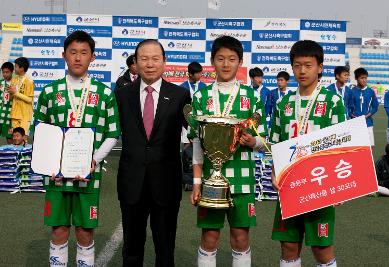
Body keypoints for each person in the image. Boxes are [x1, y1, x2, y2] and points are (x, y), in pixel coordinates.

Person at [33, 30, 121, 267]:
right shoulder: (50, 92)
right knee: (59, 230)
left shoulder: (104, 94)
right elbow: (39, 130)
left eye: (84, 53)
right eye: (73, 52)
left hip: (88, 175)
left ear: (93, 57)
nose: (78, 58)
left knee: (84, 231)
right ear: (64, 55)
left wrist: (94, 159)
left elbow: (113, 133)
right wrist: (47, 162)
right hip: (56, 176)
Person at [189, 35, 268, 267]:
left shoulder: (252, 96)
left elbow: (264, 141)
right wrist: (195, 183)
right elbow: (196, 143)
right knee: (209, 237)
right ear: (212, 61)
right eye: (220, 58)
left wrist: (253, 142)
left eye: (232, 59)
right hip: (209, 181)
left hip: (242, 180)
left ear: (240, 62)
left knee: (240, 237)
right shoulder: (201, 96)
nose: (226, 64)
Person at [269, 40, 346, 267]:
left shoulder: (333, 101)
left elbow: (340, 145)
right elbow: (276, 143)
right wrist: (274, 172)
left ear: (320, 67)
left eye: (308, 65)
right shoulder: (283, 103)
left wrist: (338, 186)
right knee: (289, 246)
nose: (302, 71)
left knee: (322, 248)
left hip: (319, 183)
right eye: (297, 65)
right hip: (290, 184)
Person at [115, 39, 191, 267]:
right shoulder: (121, 95)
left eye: (155, 58)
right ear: (135, 63)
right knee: (131, 250)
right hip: (131, 182)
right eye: (144, 58)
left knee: (165, 250)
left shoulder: (180, 96)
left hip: (166, 183)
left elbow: (197, 133)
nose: (150, 64)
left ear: (164, 62)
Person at [350, 67, 379, 150]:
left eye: (365, 78)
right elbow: (348, 106)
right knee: (356, 147)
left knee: (370, 147)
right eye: (362, 78)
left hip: (368, 123)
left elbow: (375, 106)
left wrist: (367, 115)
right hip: (355, 123)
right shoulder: (351, 91)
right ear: (356, 78)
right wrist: (352, 115)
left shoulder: (370, 91)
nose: (364, 80)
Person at [8, 57, 34, 137]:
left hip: (24, 115)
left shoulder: (29, 81)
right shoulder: (14, 80)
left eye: (15, 66)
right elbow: (11, 98)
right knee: (15, 138)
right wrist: (10, 93)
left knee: (23, 138)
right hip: (14, 114)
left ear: (22, 68)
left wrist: (16, 93)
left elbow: (30, 100)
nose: (14, 68)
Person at [0, 62, 14, 143]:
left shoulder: (15, 83)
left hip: (10, 115)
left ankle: (12, 154)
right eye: (3, 72)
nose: (5, 74)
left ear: (12, 72)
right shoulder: (1, 83)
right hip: (1, 113)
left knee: (9, 138)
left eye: (7, 72)